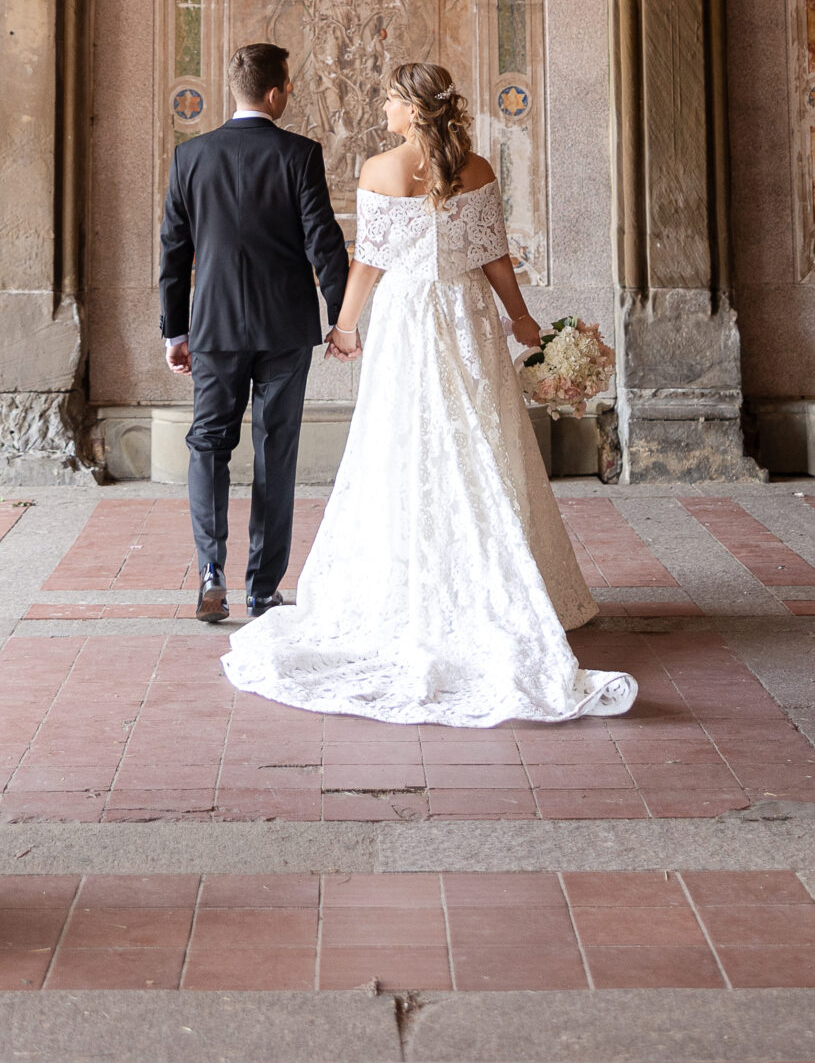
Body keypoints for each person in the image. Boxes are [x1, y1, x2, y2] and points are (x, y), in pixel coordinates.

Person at [222, 59, 637, 727]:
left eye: (388, 100)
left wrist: (346, 326)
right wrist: (522, 319)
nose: (381, 110)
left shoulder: (379, 170)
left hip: (409, 318)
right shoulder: (476, 167)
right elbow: (494, 256)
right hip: (468, 314)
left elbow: (369, 260)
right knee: (481, 439)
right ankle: (502, 584)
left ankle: (411, 583)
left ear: (413, 109)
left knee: (404, 442)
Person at [159, 40, 353, 626]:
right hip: (285, 328)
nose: (290, 92)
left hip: (214, 327)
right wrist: (341, 319)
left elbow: (174, 251)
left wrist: (175, 330)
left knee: (208, 446)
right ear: (274, 93)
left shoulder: (190, 156)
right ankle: (264, 589)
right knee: (276, 449)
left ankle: (211, 575)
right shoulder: (300, 154)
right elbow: (324, 242)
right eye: (289, 85)